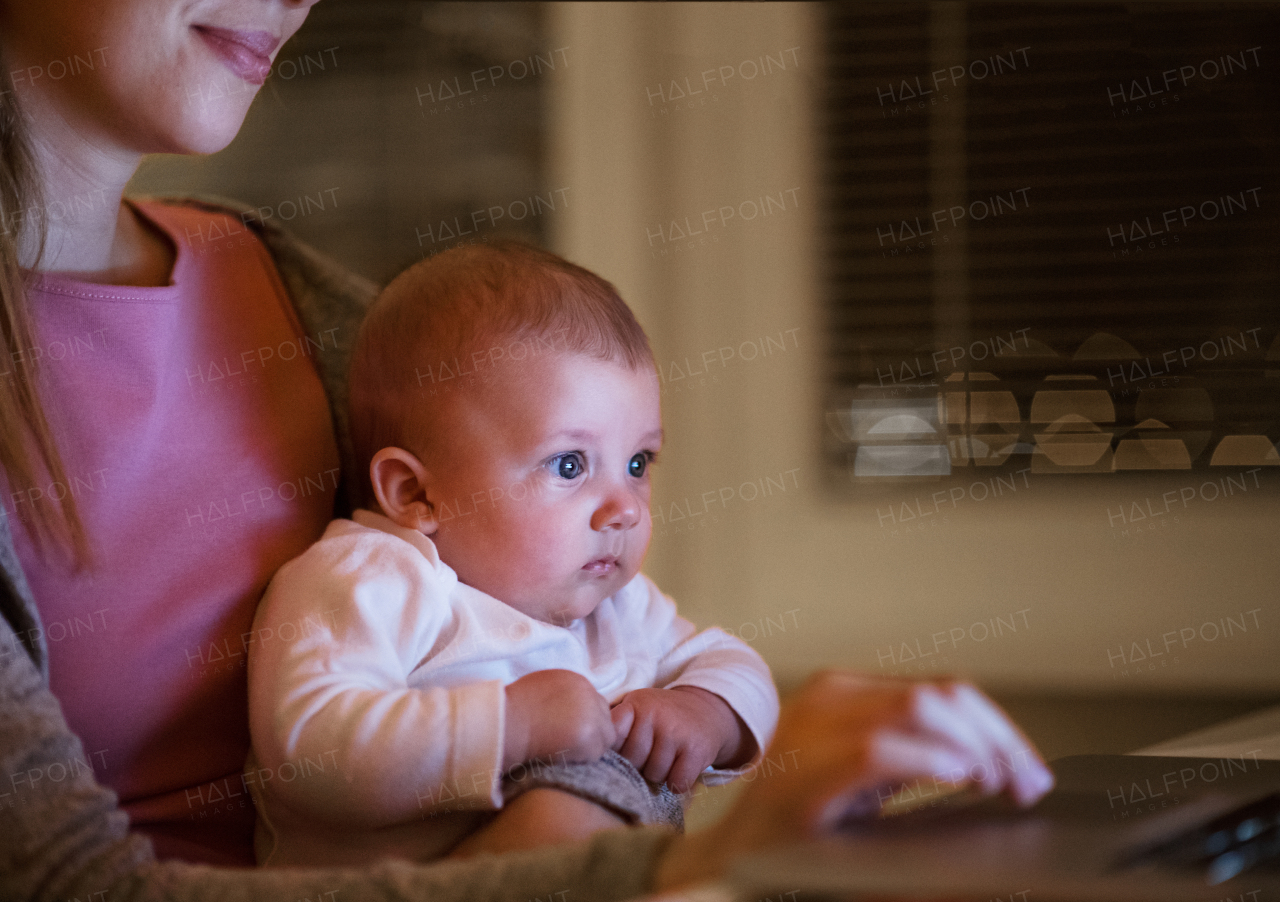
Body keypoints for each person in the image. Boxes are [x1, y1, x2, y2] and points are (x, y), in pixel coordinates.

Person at [0, 0, 1055, 899]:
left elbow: (594, 644)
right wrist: (695, 855)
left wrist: (716, 742)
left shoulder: (301, 307)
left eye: (638, 461)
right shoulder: (365, 565)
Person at [245, 243, 780, 866]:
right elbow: (312, 750)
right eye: (570, 465)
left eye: (638, 463)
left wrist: (706, 712)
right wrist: (510, 727)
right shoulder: (368, 580)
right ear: (418, 494)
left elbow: (737, 666)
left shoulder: (618, 604)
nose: (626, 508)